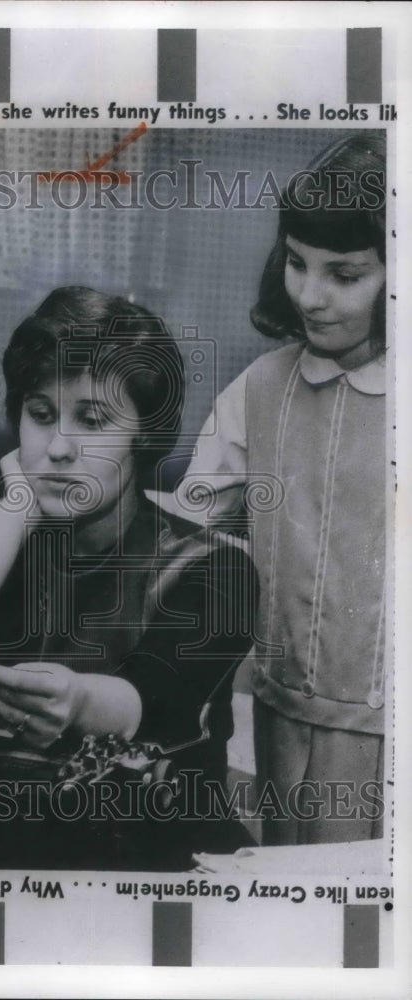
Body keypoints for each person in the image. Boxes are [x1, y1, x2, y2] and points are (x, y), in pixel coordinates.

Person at [0, 287, 258, 851]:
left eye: (92, 420)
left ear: (144, 433)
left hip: (152, 876)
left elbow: (157, 695)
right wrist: (17, 506)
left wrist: (75, 701)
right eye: (41, 415)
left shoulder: (213, 567)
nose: (58, 447)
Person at [162, 135, 387, 845]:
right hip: (279, 720)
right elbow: (183, 532)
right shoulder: (259, 389)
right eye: (296, 264)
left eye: (343, 274)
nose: (310, 296)